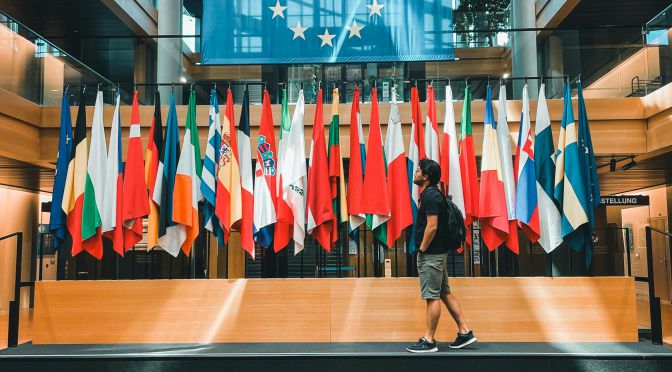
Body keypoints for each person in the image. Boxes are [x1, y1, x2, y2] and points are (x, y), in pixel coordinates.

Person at [406, 159, 477, 353]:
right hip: (438, 254)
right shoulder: (436, 194)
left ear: (426, 176)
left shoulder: (430, 196)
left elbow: (432, 226)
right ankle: (465, 332)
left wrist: (421, 249)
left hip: (431, 255)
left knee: (432, 296)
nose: (416, 173)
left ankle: (429, 340)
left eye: (419, 170)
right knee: (444, 293)